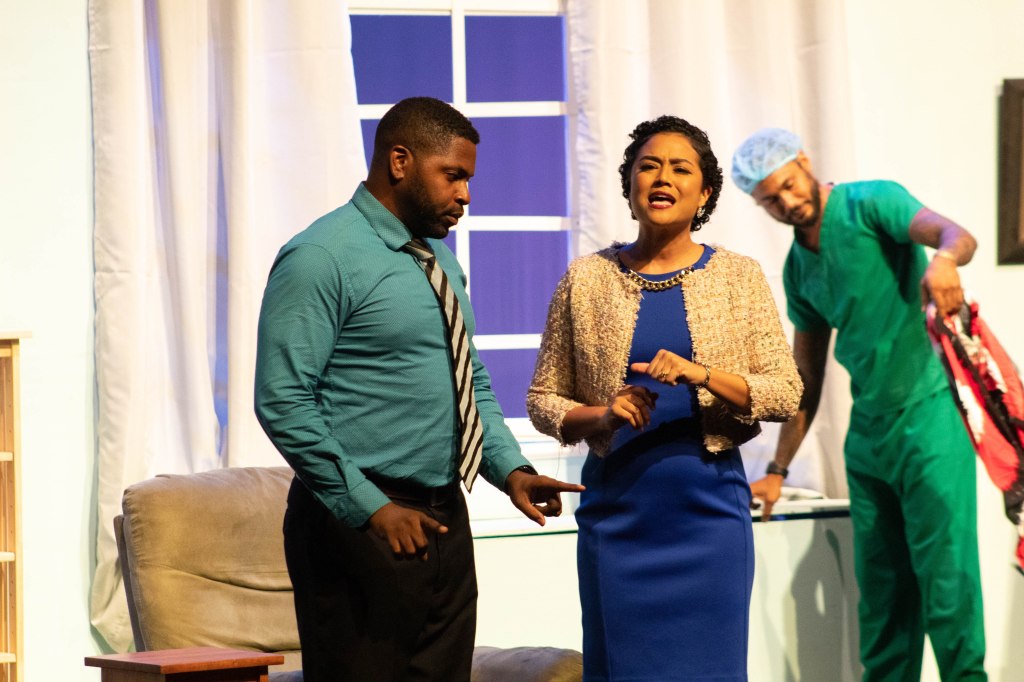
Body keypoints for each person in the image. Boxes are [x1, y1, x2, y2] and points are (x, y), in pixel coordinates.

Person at [254, 96, 584, 682]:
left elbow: (467, 376)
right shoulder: (320, 257)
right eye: (452, 175)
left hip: (444, 516)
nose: (465, 195)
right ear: (400, 161)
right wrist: (372, 509)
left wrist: (509, 470)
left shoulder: (439, 263)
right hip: (358, 521)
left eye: (467, 180)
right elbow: (283, 399)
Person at [527, 115, 802, 682]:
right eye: (648, 166)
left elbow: (785, 392)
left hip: (710, 518)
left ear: (705, 194)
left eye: (681, 169)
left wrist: (703, 374)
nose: (662, 178)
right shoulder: (586, 279)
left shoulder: (739, 277)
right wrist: (602, 415)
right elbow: (543, 399)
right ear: (629, 184)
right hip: (618, 519)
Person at [731, 127, 985, 681]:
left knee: (946, 582)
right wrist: (776, 469)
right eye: (770, 199)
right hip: (868, 437)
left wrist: (944, 260)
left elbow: (955, 233)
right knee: (882, 595)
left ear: (804, 161)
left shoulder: (872, 202)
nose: (787, 202)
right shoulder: (799, 268)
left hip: (928, 415)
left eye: (788, 185)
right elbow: (806, 376)